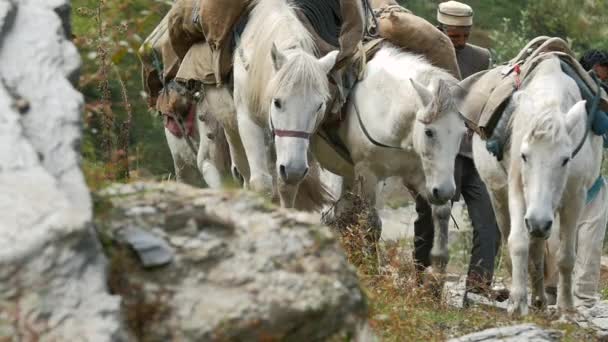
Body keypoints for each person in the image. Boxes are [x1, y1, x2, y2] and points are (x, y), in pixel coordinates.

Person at [413, 1, 504, 304]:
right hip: (439, 155)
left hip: (473, 152)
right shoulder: (422, 55)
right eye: (454, 36)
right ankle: (424, 284)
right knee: (429, 218)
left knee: (488, 222)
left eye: (465, 34)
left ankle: (477, 291)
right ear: (440, 31)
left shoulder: (481, 57)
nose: (461, 41)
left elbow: (486, 99)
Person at [544, 50, 608, 309]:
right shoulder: (566, 100)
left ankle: (583, 295)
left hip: (592, 184)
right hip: (560, 183)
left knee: (589, 241)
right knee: (556, 237)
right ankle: (554, 290)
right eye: (602, 71)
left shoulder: (600, 99)